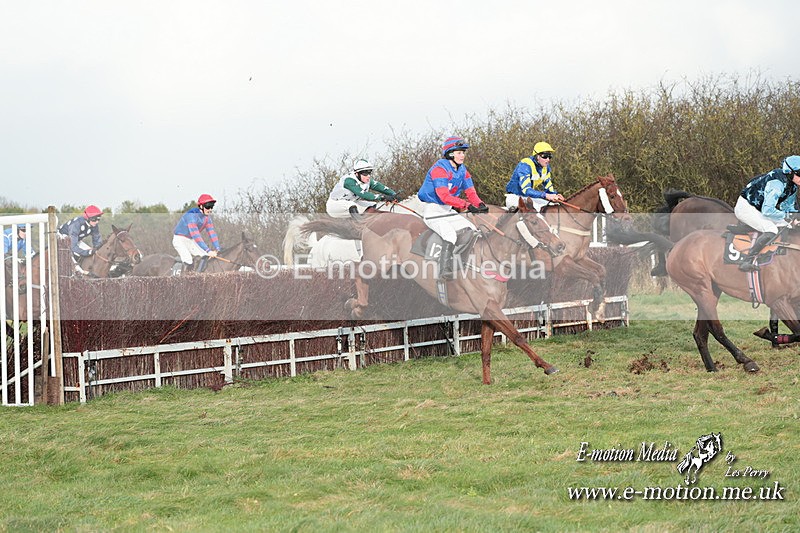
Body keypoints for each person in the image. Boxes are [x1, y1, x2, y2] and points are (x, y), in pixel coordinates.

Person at [418, 136, 488, 279]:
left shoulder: (463, 170)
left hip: (447, 211)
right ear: (450, 153)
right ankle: (444, 269)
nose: (462, 155)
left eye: (463, 152)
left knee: (473, 230)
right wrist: (466, 205)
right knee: (450, 235)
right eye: (459, 152)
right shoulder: (439, 169)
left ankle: (463, 263)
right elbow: (444, 196)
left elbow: (470, 192)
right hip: (433, 211)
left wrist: (480, 204)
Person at [735, 155, 800, 271]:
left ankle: (779, 254)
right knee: (771, 229)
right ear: (789, 173)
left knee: (788, 225)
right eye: (799, 174)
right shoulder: (776, 183)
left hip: (761, 208)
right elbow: (768, 210)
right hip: (746, 207)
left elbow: (788, 207)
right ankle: (747, 260)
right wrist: (787, 216)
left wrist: (796, 217)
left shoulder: (793, 186)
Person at [326, 159, 399, 219]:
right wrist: (382, 197)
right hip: (334, 206)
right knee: (351, 205)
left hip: (351, 202)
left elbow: (381, 187)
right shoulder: (349, 181)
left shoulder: (366, 180)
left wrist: (393, 194)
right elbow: (363, 194)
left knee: (371, 205)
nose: (368, 176)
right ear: (357, 173)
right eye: (365, 174)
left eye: (369, 173)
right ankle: (358, 226)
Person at [505, 141, 565, 211]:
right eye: (545, 156)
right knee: (536, 213)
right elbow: (526, 190)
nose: (548, 160)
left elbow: (549, 188)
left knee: (554, 207)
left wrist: (556, 195)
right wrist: (546, 195)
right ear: (537, 156)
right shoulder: (525, 165)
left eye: (549, 156)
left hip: (529, 198)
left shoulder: (546, 168)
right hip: (515, 198)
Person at [173, 194, 221, 273]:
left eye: (212, 206)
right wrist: (208, 250)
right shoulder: (191, 216)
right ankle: (182, 281)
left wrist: (217, 248)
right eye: (208, 206)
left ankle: (197, 277)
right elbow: (196, 237)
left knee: (204, 256)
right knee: (188, 260)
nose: (210, 209)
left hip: (190, 240)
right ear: (201, 206)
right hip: (179, 239)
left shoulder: (207, 219)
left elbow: (212, 234)